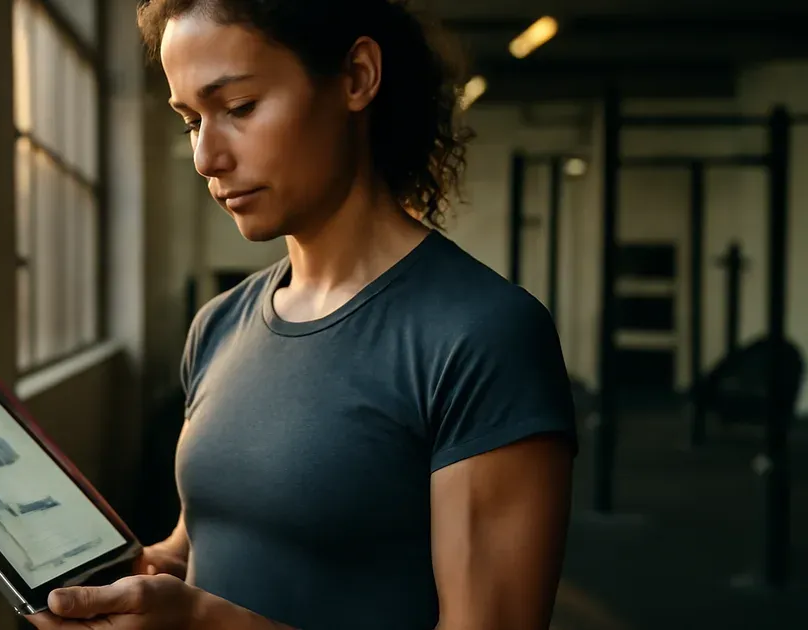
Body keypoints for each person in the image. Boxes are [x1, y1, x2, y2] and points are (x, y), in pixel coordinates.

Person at [29, 1, 577, 628]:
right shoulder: (219, 325)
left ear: (356, 78)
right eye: (191, 120)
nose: (207, 157)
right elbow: (201, 552)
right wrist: (118, 590)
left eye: (239, 108)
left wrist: (206, 625)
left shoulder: (481, 335)